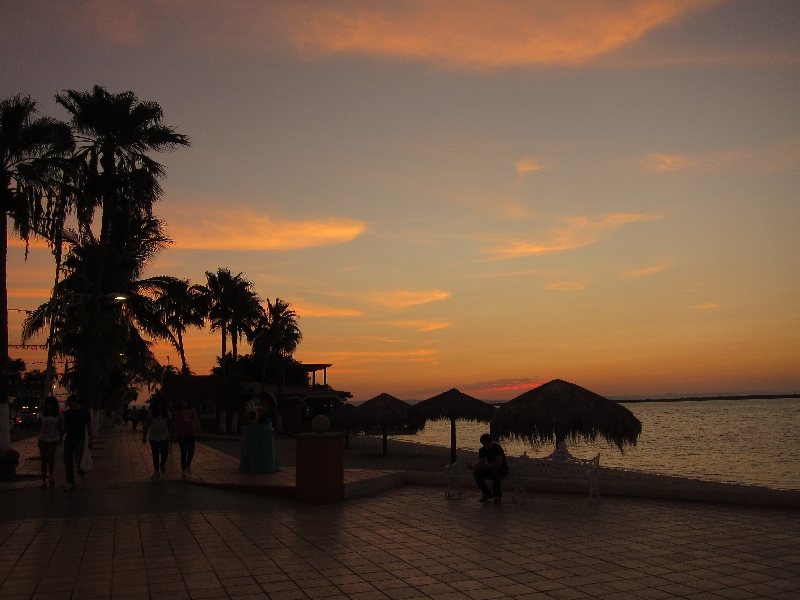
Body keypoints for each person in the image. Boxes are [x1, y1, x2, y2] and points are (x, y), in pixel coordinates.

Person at [62, 394, 92, 491]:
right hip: (69, 439)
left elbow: (89, 427)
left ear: (75, 401)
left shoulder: (85, 413)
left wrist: (90, 440)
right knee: (68, 460)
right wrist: (60, 437)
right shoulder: (68, 413)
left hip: (80, 439)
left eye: (70, 402)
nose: (69, 404)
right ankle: (70, 481)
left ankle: (82, 472)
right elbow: (65, 426)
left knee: (78, 459)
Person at [469, 433, 509, 503]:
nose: (485, 446)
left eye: (486, 444)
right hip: (491, 469)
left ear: (490, 442)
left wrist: (484, 466)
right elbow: (481, 463)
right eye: (483, 444)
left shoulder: (497, 448)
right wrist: (475, 467)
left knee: (496, 471)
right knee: (477, 473)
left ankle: (497, 495)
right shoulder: (482, 450)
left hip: (502, 470)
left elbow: (498, 463)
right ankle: (486, 493)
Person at [36, 396, 64, 488]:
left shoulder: (58, 415)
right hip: (42, 438)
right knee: (44, 460)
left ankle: (51, 476)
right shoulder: (41, 415)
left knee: (50, 460)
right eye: (47, 404)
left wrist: (61, 437)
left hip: (53, 439)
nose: (49, 405)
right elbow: (38, 426)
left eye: (50, 404)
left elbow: (60, 428)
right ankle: (44, 481)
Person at [142, 397, 172, 479]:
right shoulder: (151, 413)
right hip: (153, 437)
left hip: (164, 437)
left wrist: (172, 434)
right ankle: (156, 471)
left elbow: (171, 424)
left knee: (165, 452)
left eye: (161, 404)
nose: (159, 405)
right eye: (158, 404)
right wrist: (144, 437)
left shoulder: (167, 413)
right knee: (155, 454)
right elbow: (147, 425)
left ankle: (162, 464)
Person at [173, 396, 201, 479]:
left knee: (191, 450)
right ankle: (183, 469)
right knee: (184, 451)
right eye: (182, 401)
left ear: (188, 402)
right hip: (181, 434)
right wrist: (175, 435)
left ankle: (188, 464)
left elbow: (196, 420)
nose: (183, 403)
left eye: (185, 401)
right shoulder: (178, 412)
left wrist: (199, 431)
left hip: (191, 433)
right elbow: (176, 423)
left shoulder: (192, 410)